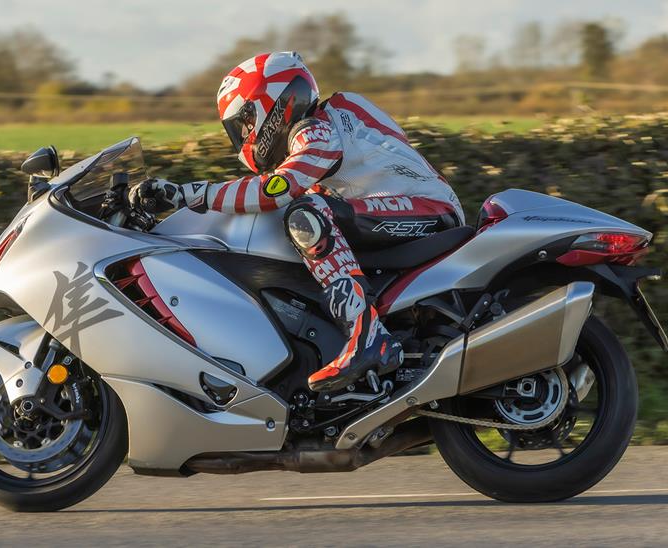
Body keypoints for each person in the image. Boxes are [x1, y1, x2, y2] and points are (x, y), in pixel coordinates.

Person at [127, 52, 464, 393]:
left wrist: (187, 194)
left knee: (306, 212)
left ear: (271, 105)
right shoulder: (328, 126)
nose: (245, 136)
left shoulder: (318, 129)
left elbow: (274, 189)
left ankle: (366, 334)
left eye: (245, 122)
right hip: (399, 210)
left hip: (429, 209)